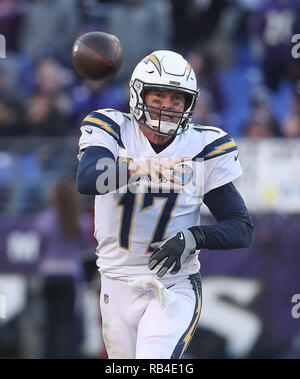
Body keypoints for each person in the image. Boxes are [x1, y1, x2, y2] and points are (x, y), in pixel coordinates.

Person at [76, 50, 255, 359]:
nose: (167, 107)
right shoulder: (112, 129)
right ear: (138, 94)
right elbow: (88, 179)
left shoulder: (201, 147)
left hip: (172, 285)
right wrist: (138, 168)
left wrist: (194, 237)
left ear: (190, 104)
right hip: (115, 281)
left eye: (177, 100)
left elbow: (242, 228)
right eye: (158, 97)